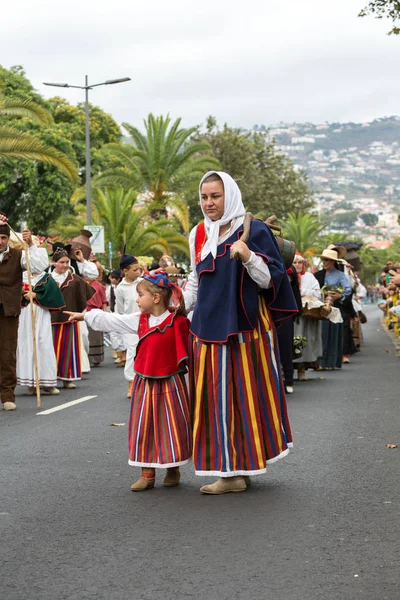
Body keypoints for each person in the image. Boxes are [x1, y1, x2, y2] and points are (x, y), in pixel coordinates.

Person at [183, 171, 298, 495]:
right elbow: (196, 280)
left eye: (215, 196)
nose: (209, 203)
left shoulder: (253, 230)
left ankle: (235, 472)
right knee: (215, 400)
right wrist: (177, 306)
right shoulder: (198, 234)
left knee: (244, 399)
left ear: (228, 195)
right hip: (208, 329)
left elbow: (271, 280)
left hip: (245, 329)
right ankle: (234, 470)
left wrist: (247, 256)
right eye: (204, 197)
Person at [65, 272, 191, 492]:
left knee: (172, 426)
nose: (136, 299)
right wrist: (84, 316)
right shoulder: (140, 320)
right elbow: (113, 320)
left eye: (140, 295)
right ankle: (147, 473)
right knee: (144, 425)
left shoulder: (178, 322)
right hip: (144, 381)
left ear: (155, 298)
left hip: (171, 383)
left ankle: (172, 468)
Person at [0, 215, 49, 411]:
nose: (0, 241)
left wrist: (30, 245)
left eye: (3, 238)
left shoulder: (19, 254)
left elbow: (38, 266)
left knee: (7, 353)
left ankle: (7, 395)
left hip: (9, 310)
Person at [17, 254, 66, 395]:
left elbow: (54, 297)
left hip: (41, 314)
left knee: (43, 344)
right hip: (24, 314)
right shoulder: (21, 276)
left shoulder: (46, 278)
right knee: (27, 345)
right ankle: (30, 383)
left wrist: (36, 296)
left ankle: (47, 382)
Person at [50, 248, 95, 389]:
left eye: (67, 262)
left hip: (70, 318)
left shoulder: (74, 279)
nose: (64, 265)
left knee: (69, 349)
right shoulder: (47, 279)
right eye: (61, 262)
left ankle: (67, 378)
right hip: (50, 319)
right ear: (54, 263)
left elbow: (87, 292)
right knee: (50, 350)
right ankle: (50, 379)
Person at [314, 247, 352, 369]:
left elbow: (348, 290)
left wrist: (339, 296)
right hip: (318, 308)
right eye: (323, 260)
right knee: (321, 335)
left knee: (333, 334)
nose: (325, 262)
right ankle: (319, 363)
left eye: (327, 260)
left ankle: (331, 362)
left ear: (333, 261)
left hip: (334, 308)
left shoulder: (340, 275)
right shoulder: (317, 275)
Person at [292, 253, 323, 381]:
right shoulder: (288, 275)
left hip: (307, 314)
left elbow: (318, 293)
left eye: (300, 263)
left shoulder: (309, 277)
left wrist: (302, 292)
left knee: (305, 341)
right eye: (295, 263)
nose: (298, 265)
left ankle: (302, 369)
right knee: (292, 340)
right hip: (292, 314)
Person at [115, 253, 142, 397]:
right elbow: (119, 310)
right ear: (125, 271)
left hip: (146, 322)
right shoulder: (120, 288)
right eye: (134, 270)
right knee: (132, 353)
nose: (138, 272)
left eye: (139, 269)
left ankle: (146, 383)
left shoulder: (143, 283)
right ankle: (131, 383)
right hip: (130, 325)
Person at [85, 261, 108, 367]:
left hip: (96, 311)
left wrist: (105, 313)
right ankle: (87, 358)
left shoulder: (99, 286)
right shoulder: (83, 283)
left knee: (96, 335)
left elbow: (104, 300)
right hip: (85, 311)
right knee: (87, 336)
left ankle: (96, 358)